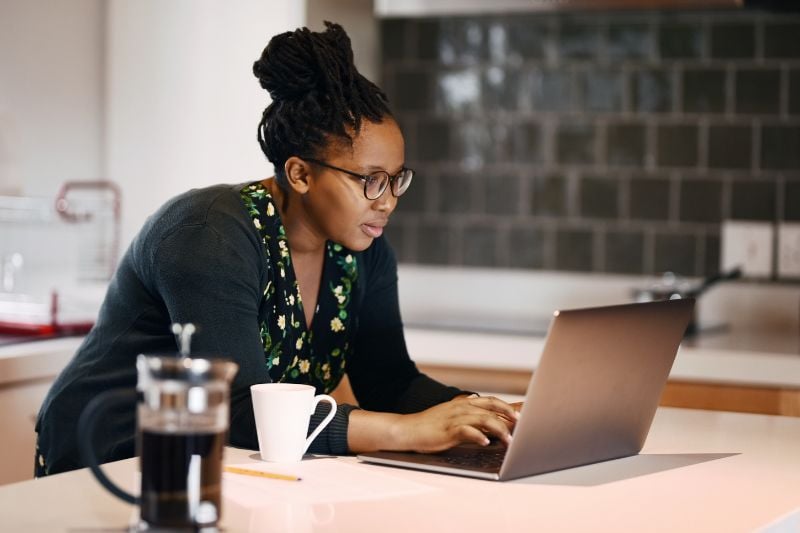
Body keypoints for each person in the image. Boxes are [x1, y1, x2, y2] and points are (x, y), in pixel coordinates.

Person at [34, 21, 518, 477]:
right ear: (300, 173)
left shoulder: (364, 249)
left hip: (222, 464)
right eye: (370, 181)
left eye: (395, 180)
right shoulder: (210, 235)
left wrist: (491, 415)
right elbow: (242, 410)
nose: (388, 201)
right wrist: (405, 430)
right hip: (112, 458)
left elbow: (389, 381)